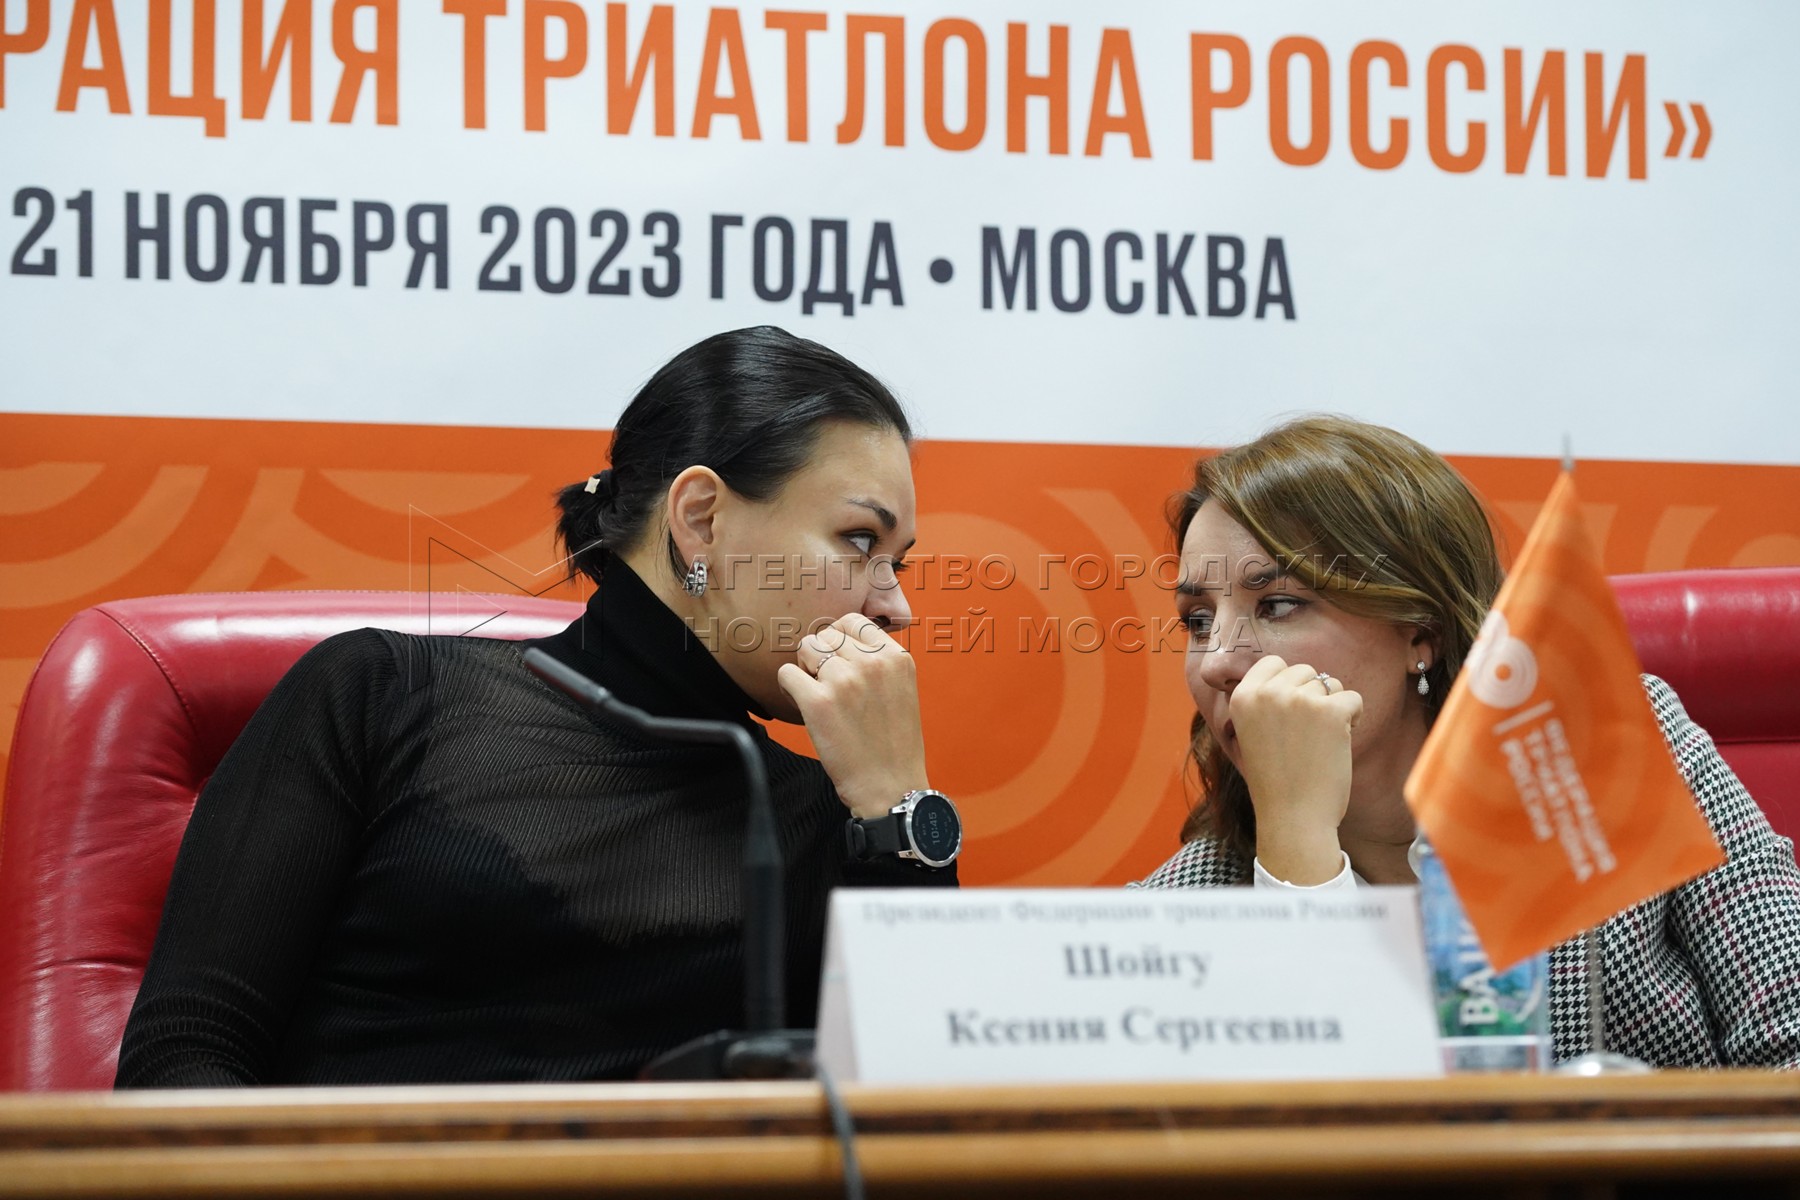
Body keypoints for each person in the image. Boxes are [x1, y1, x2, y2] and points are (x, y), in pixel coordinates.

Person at [115, 326, 959, 1088]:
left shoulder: (827, 821)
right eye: (860, 541)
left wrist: (900, 812)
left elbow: (927, 1121)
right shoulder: (379, 696)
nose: (896, 608)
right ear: (701, 520)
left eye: (899, 561)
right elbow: (185, 1054)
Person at [1133, 415, 1800, 1068]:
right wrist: (1297, 846)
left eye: (1277, 605)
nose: (1217, 661)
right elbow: (1325, 1131)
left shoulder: (1612, 747)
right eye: (1198, 620)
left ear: (1420, 633)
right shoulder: (1181, 912)